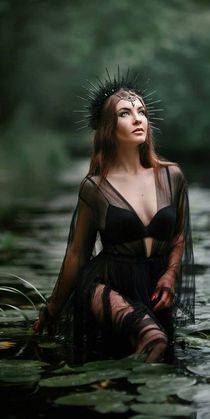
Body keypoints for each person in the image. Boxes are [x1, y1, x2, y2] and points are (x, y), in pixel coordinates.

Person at [33, 70, 195, 364]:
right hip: (106, 286)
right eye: (125, 113)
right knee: (153, 340)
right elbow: (76, 254)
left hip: (153, 285)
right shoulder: (95, 188)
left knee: (160, 356)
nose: (138, 119)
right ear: (109, 127)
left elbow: (179, 235)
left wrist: (170, 274)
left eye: (142, 111)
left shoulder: (172, 176)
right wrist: (52, 310)